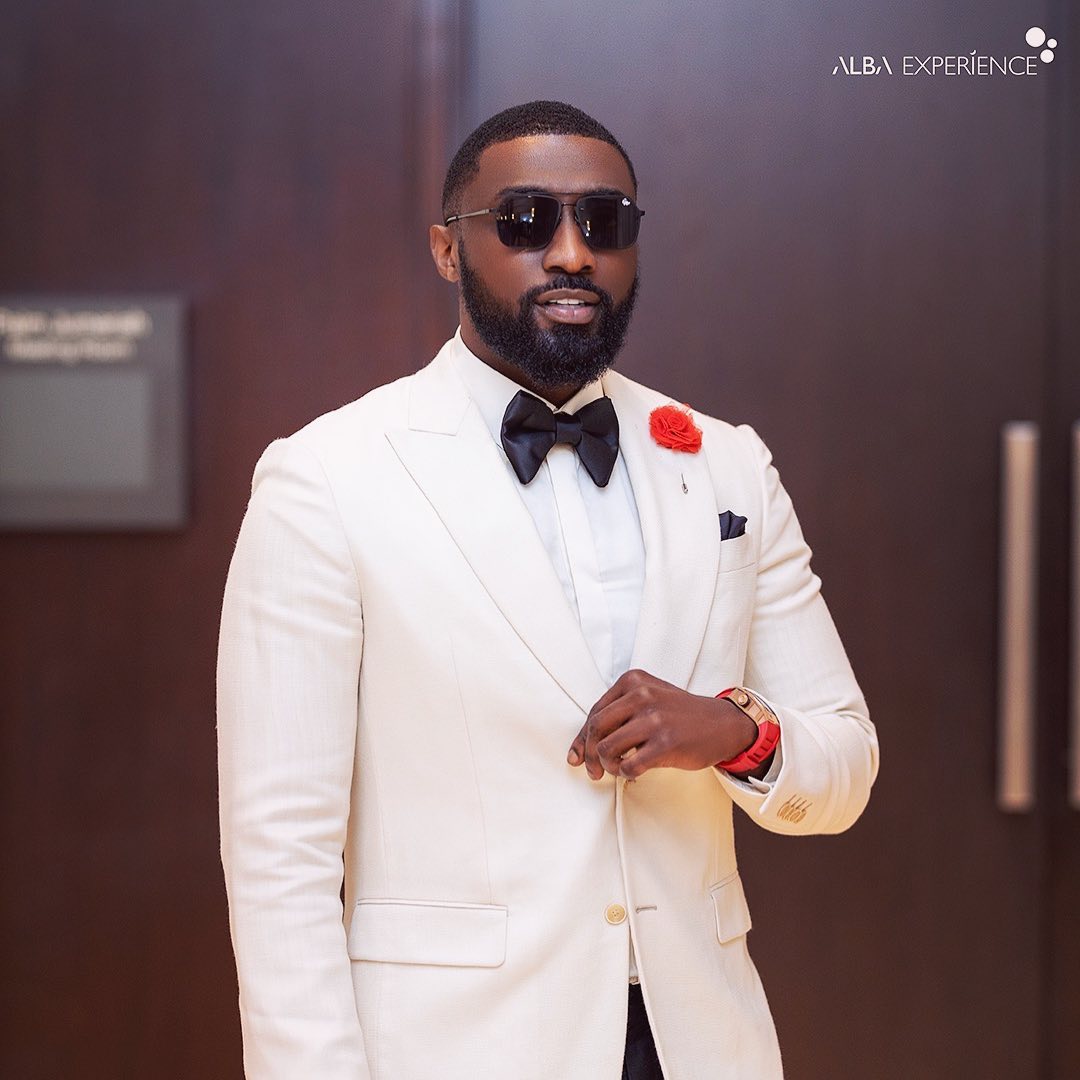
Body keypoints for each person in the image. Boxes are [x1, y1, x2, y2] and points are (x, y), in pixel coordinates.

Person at [217, 100, 879, 1080]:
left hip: (700, 1043)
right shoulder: (326, 478)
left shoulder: (727, 464)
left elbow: (845, 767)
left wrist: (733, 731)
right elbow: (280, 855)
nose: (572, 253)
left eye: (604, 222)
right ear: (448, 249)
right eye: (525, 220)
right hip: (455, 1052)